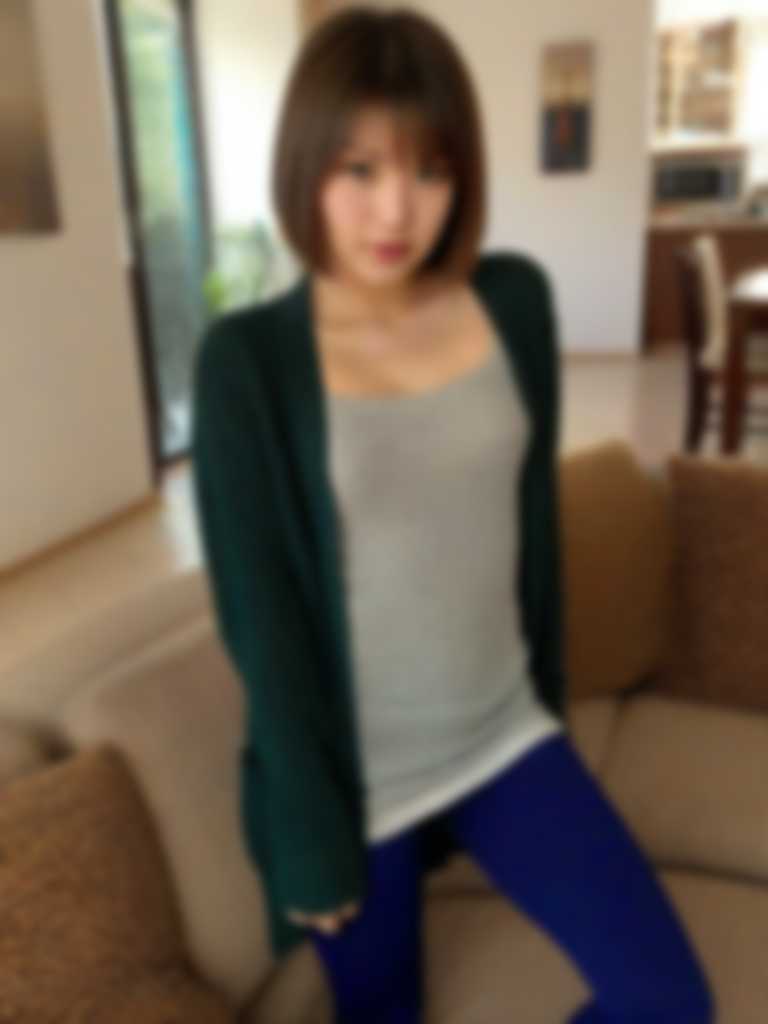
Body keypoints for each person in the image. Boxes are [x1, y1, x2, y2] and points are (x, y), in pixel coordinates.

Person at [191, 6, 716, 1022]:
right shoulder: (247, 365)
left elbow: (534, 539)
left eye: (430, 170)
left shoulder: (512, 302)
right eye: (359, 169)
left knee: (670, 1002)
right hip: (364, 788)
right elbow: (265, 623)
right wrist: (309, 833)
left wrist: (548, 708)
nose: (397, 209)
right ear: (305, 165)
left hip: (505, 737)